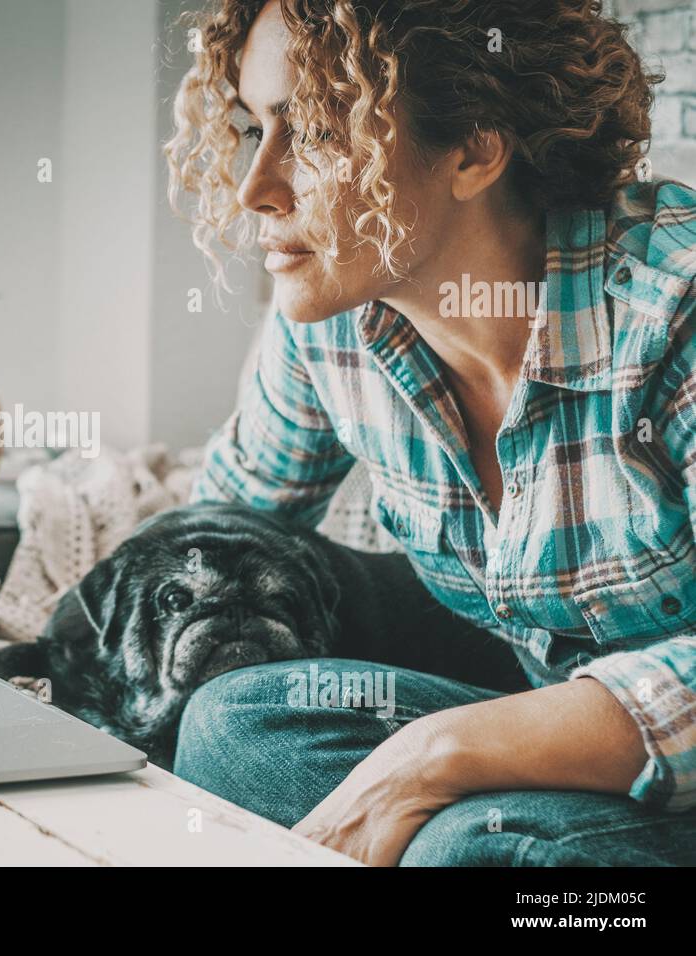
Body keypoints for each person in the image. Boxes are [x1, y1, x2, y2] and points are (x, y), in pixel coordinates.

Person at [165, 0, 696, 865]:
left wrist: (430, 759)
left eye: (315, 131)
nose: (255, 187)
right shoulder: (330, 325)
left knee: (469, 847)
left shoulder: (674, 309)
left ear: (475, 146)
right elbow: (217, 533)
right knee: (232, 725)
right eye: (254, 126)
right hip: (565, 764)